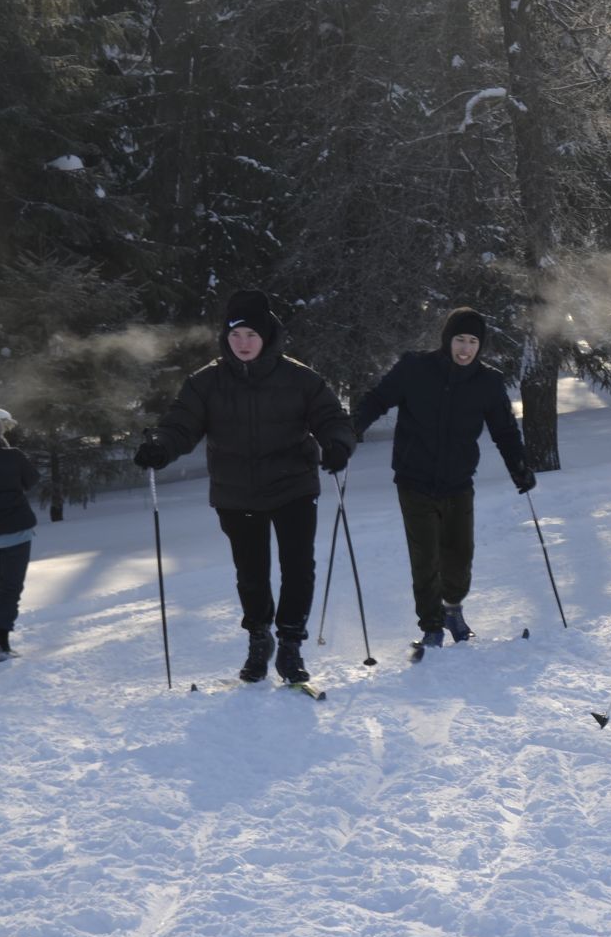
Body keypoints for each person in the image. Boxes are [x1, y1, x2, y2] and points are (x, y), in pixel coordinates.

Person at [132, 290, 355, 685]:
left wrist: (337, 444)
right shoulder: (206, 382)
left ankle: (289, 643)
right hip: (237, 492)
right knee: (251, 573)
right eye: (236, 336)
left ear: (267, 335)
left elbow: (330, 416)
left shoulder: (300, 378)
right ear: (226, 337)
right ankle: (259, 637)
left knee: (298, 568)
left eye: (251, 335)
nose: (243, 344)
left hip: (293, 486)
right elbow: (180, 425)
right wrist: (160, 448)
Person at [353, 307, 535, 657]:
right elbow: (377, 399)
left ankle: (453, 612)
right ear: (447, 339)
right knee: (425, 557)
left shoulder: (487, 382)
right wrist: (352, 429)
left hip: (458, 482)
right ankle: (432, 627)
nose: (465, 349)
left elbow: (504, 430)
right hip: (414, 480)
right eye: (459, 340)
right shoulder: (415, 368)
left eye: (472, 342)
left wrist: (519, 467)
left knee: (459, 557)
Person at [0, 407, 37, 663]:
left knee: (1, 587)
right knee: (9, 589)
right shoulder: (12, 456)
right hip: (16, 534)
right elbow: (31, 480)